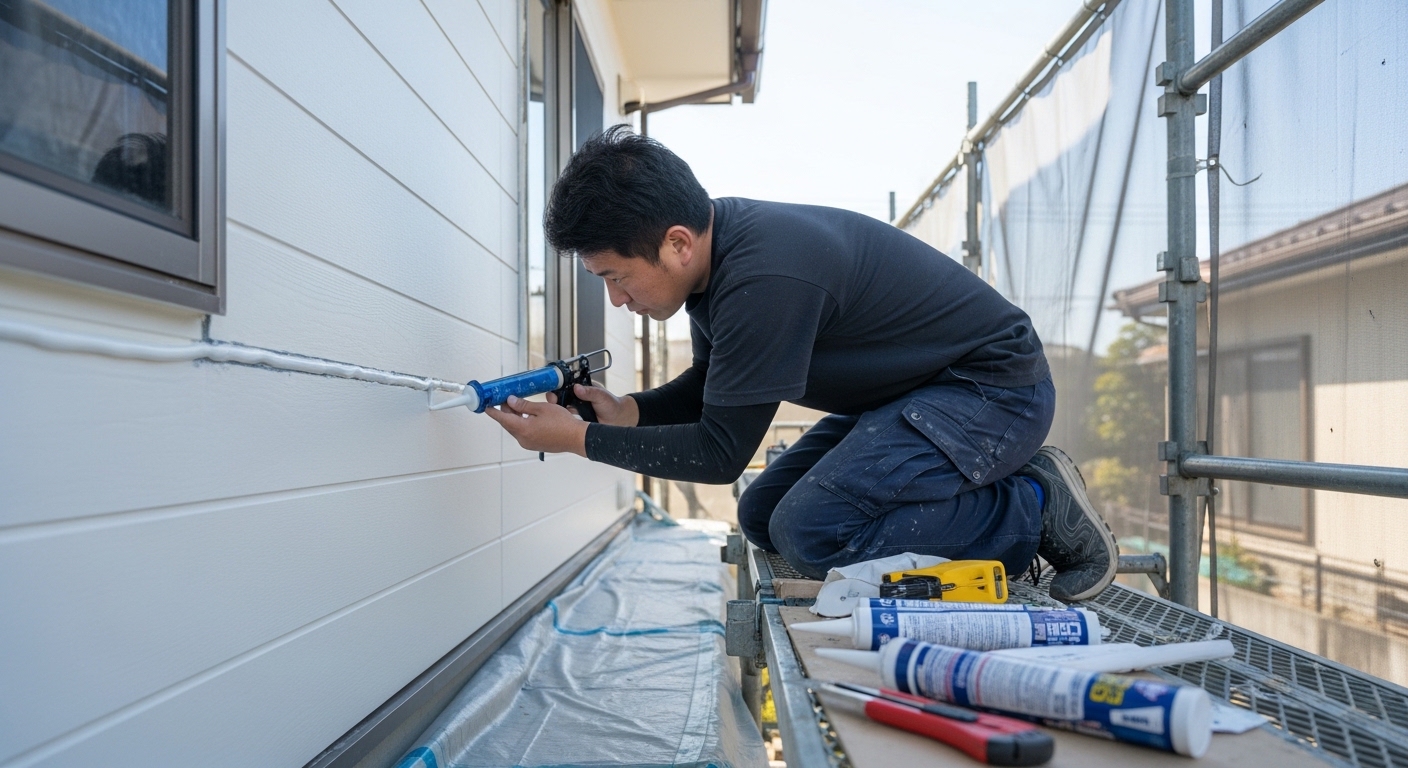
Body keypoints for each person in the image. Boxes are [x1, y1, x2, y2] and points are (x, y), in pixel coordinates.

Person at [487, 126, 1118, 602]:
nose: (617, 299)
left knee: (812, 531)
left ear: (675, 243)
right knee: (764, 515)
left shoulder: (763, 278)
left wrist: (579, 440)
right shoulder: (717, 254)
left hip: (992, 393)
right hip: (922, 396)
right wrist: (629, 412)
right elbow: (714, 387)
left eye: (616, 277)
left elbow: (718, 454)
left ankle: (1034, 506)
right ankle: (1004, 494)